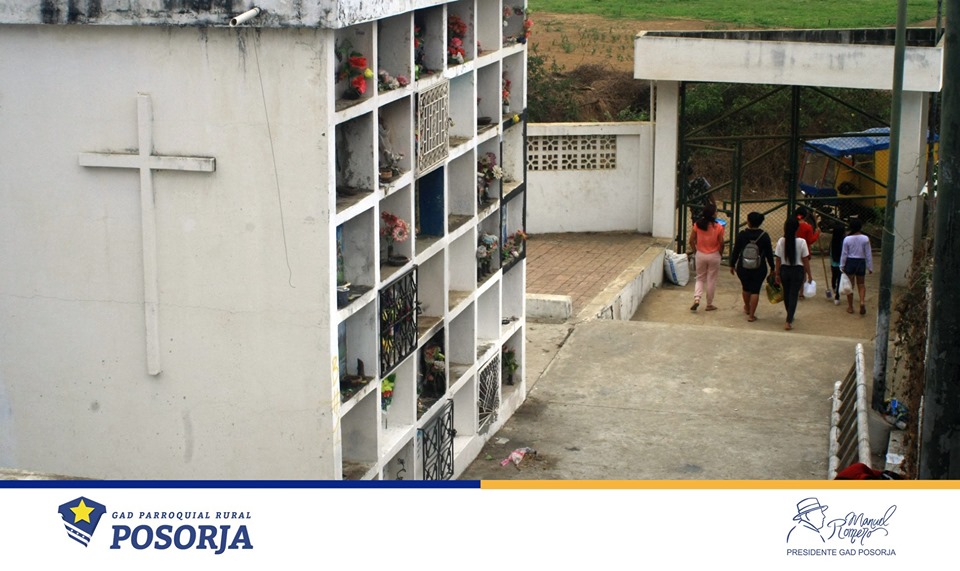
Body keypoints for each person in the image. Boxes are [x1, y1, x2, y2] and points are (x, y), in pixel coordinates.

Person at [729, 211, 775, 322]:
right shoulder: (764, 236)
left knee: (745, 287)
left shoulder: (742, 234)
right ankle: (751, 315)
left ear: (748, 222)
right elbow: (769, 253)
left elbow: (736, 251)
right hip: (759, 267)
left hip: (743, 266)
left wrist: (732, 264)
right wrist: (772, 267)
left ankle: (747, 307)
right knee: (755, 290)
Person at [774, 218, 813, 330]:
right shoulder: (802, 242)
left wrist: (777, 273)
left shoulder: (781, 241)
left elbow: (778, 259)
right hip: (797, 270)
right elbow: (805, 260)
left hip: (784, 270)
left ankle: (789, 315)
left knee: (786, 294)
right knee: (793, 295)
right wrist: (809, 274)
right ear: (797, 228)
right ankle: (789, 319)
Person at [688, 202, 724, 312]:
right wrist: (720, 254)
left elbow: (691, 241)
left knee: (699, 278)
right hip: (714, 255)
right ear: (713, 214)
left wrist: (696, 252)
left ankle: (697, 298)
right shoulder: (718, 227)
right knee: (711, 279)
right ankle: (709, 304)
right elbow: (721, 243)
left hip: (701, 254)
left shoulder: (697, 225)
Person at [840, 218, 873, 315]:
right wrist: (870, 267)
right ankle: (862, 302)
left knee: (850, 285)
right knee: (861, 284)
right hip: (861, 262)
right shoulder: (865, 238)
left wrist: (842, 265)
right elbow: (868, 253)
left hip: (850, 262)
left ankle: (850, 307)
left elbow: (844, 254)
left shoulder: (847, 239)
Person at [795, 206, 820, 299]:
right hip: (804, 251)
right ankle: (801, 292)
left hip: (793, 250)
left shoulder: (792, 225)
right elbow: (810, 240)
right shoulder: (808, 227)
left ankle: (794, 289)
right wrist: (817, 233)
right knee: (803, 272)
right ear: (805, 216)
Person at [828, 222, 845, 306]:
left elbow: (830, 252)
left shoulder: (832, 241)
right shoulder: (843, 241)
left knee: (834, 277)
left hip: (833, 264)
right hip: (841, 264)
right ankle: (837, 296)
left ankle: (834, 288)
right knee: (839, 279)